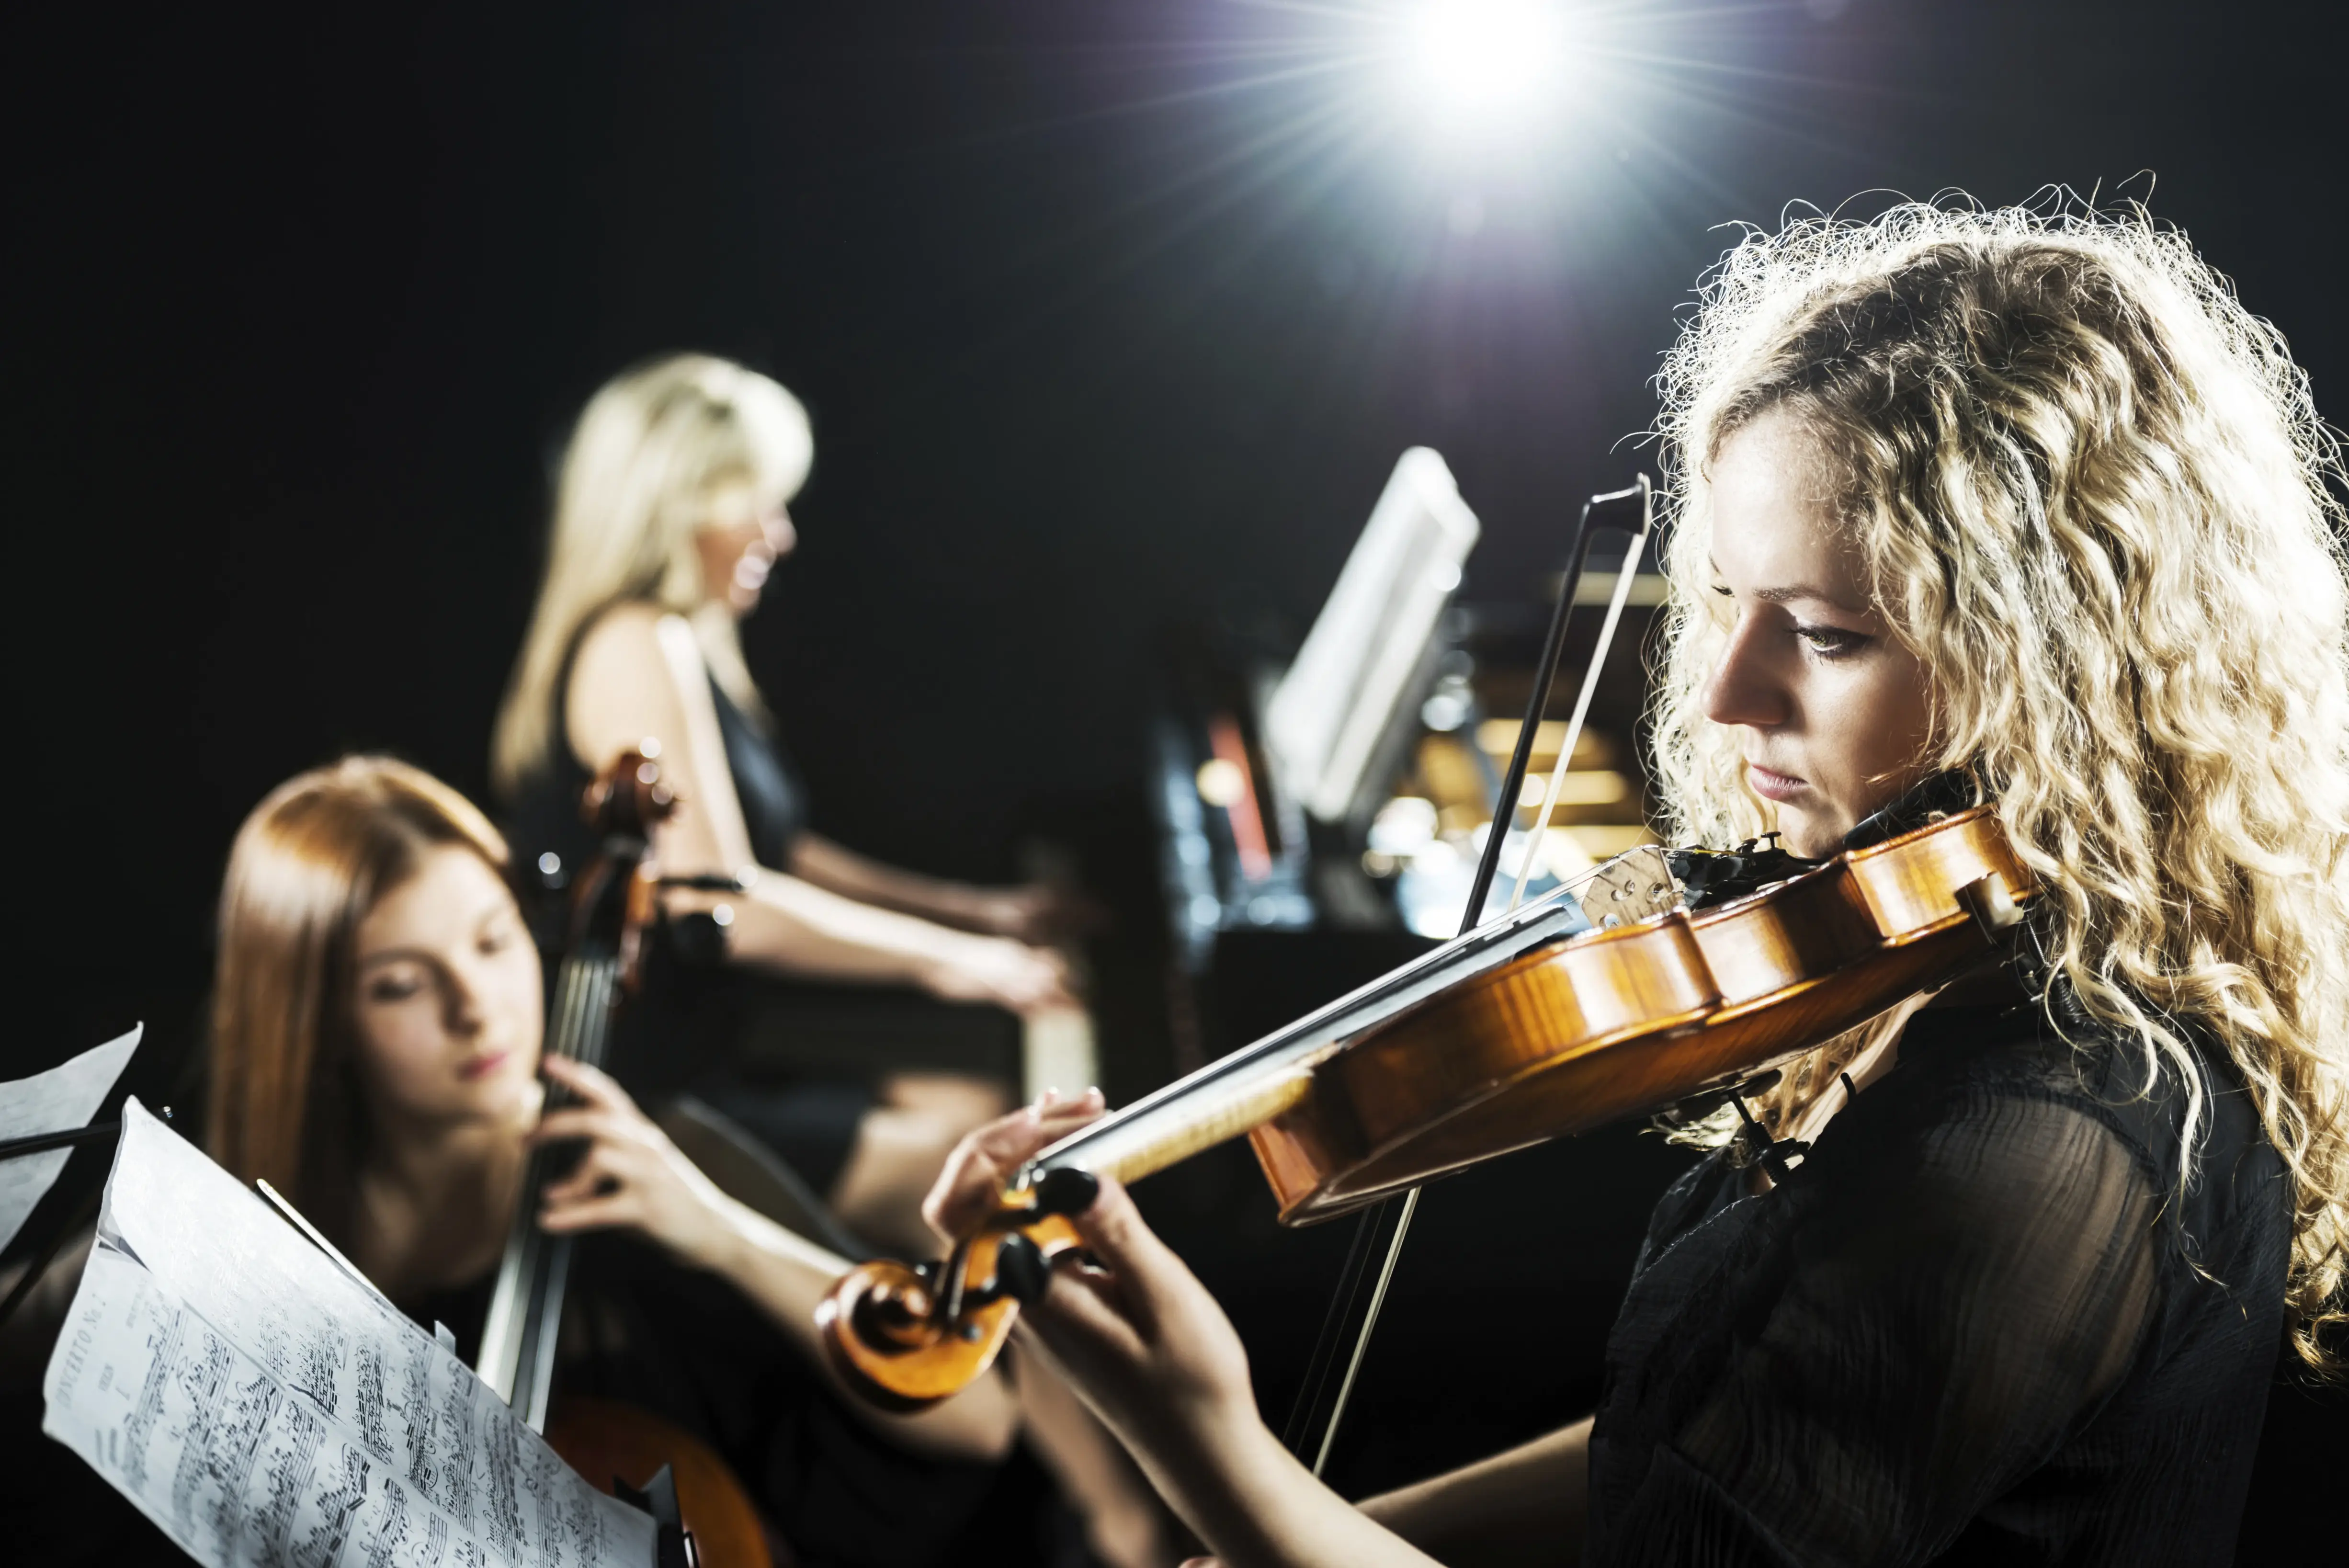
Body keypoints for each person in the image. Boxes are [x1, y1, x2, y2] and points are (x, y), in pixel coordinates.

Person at [919, 202, 2349, 1565]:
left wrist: (1213, 1449)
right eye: (1727, 601)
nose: (1729, 693)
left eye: (1831, 635)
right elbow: (1716, 1455)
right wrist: (1320, 1529)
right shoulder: (1941, 965)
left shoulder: (2041, 1143)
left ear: (2066, 675)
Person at [204, 755, 1024, 1565]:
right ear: (314, 1019)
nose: (477, 1009)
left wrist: (718, 1231)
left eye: (495, 941)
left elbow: (980, 1417)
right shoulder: (265, 1262)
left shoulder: (652, 1158)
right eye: (401, 985)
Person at [491, 352, 1077, 1257]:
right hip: (648, 1100)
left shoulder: (689, 634)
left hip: (710, 1057)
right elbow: (717, 906)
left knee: (981, 1110)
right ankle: (991, 1395)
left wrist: (973, 911)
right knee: (983, 1174)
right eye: (753, 500)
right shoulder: (634, 642)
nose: (782, 531)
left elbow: (774, 851)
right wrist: (955, 962)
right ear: (674, 505)